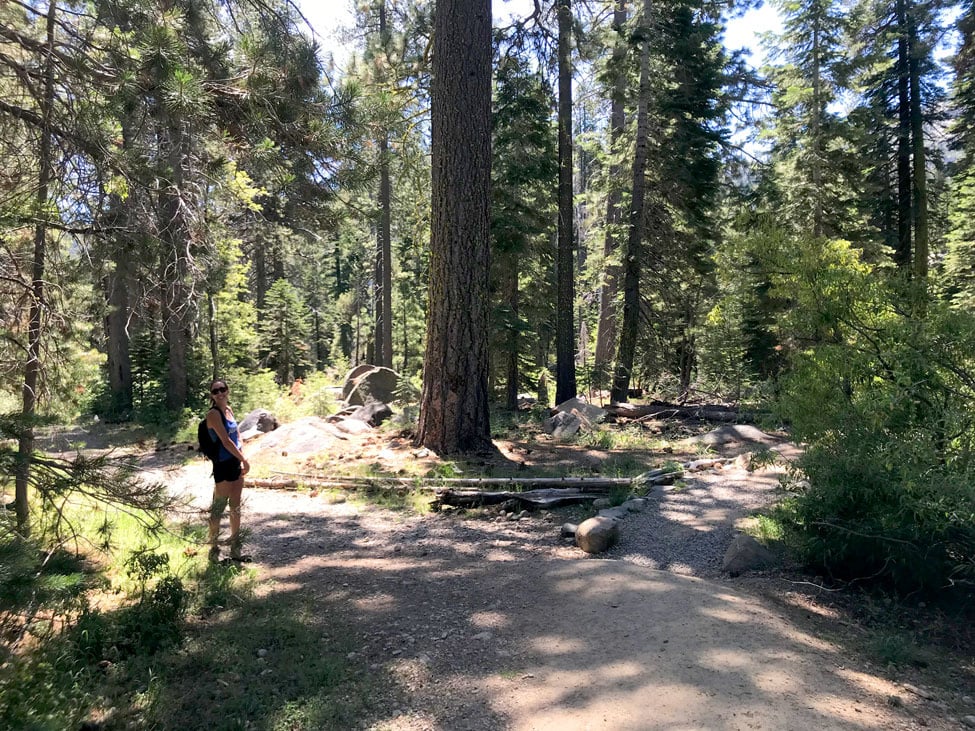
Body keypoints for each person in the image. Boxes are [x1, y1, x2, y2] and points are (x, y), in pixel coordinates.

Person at [205, 379, 250, 562]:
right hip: (223, 464)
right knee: (219, 507)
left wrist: (241, 456)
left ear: (227, 390)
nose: (220, 393)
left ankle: (235, 547)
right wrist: (244, 460)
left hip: (235, 462)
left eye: (222, 389)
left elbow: (237, 435)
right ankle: (213, 547)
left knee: (235, 506)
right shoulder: (213, 414)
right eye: (216, 391)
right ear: (212, 396)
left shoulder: (229, 410)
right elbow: (225, 440)